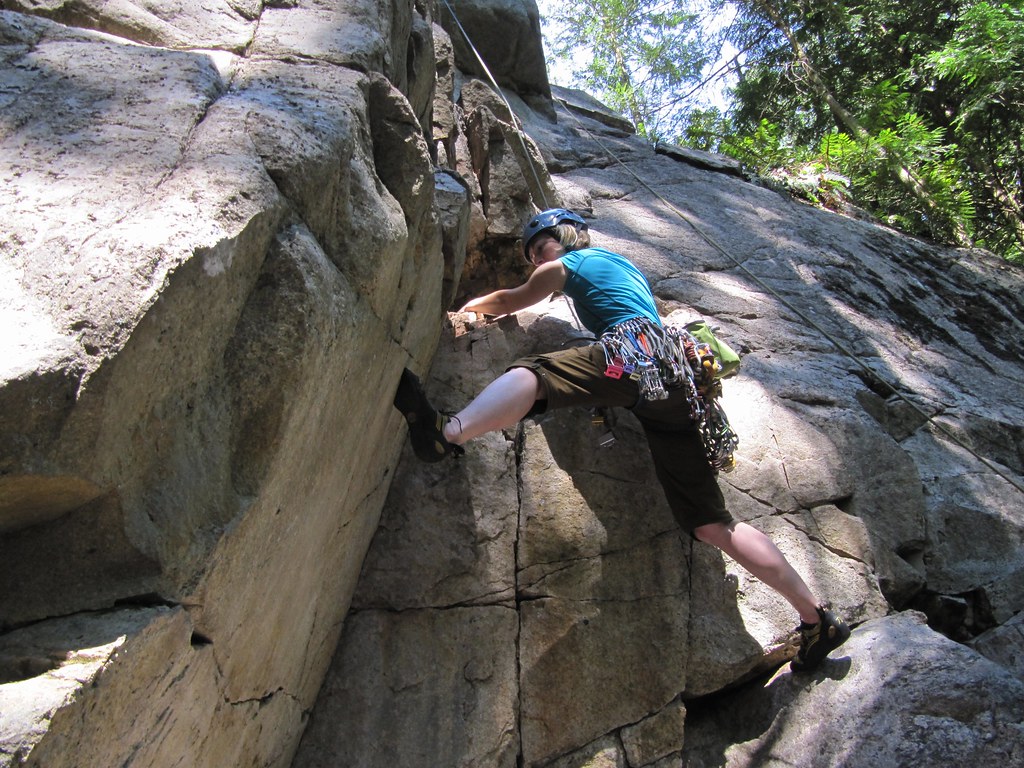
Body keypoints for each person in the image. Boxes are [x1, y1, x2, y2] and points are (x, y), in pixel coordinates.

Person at [393, 208, 850, 671]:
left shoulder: (569, 263)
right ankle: (816, 619)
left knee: (536, 374)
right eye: (533, 254)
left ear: (562, 239)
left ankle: (446, 432)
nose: (536, 259)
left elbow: (512, 299)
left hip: (634, 358)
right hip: (678, 387)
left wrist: (471, 307)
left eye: (539, 248)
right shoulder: (626, 267)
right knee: (713, 525)